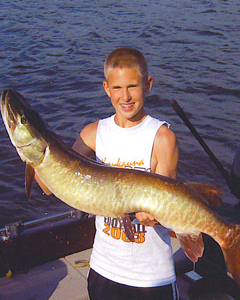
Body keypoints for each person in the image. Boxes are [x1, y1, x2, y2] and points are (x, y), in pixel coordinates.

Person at [38, 47, 179, 299]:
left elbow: (166, 207)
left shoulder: (162, 137)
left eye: (133, 86)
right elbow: (51, 185)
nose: (125, 96)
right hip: (104, 269)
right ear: (106, 88)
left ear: (148, 85)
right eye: (117, 88)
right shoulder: (93, 134)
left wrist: (154, 216)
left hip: (151, 275)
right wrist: (33, 156)